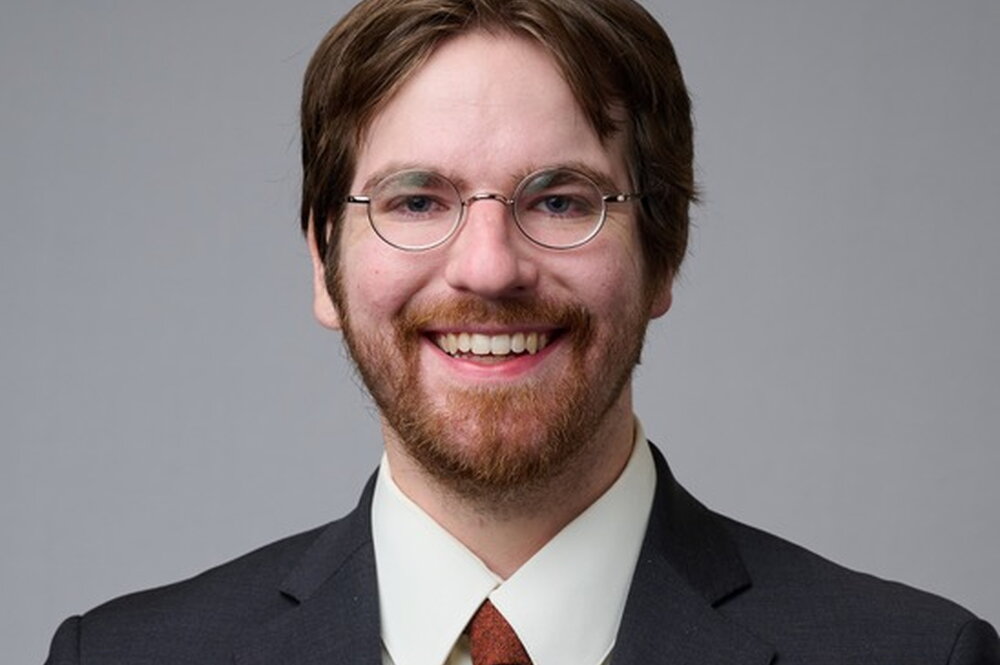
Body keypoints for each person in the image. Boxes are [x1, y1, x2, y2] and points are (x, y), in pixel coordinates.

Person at [44, 1, 999, 664]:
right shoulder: (120, 658)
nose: (490, 266)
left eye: (561, 199)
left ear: (663, 256)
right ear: (323, 264)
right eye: (417, 200)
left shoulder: (922, 654)